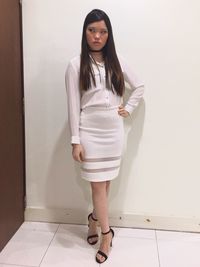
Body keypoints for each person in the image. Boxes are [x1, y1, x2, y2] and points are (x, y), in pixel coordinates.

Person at [65, 9, 144, 264]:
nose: (97, 36)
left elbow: (139, 85)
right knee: (97, 185)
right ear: (84, 32)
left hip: (113, 132)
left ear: (109, 34)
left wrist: (128, 108)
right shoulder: (75, 64)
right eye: (92, 30)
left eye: (102, 31)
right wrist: (75, 140)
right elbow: (73, 104)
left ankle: (93, 220)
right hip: (90, 131)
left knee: (105, 183)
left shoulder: (117, 59)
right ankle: (107, 235)